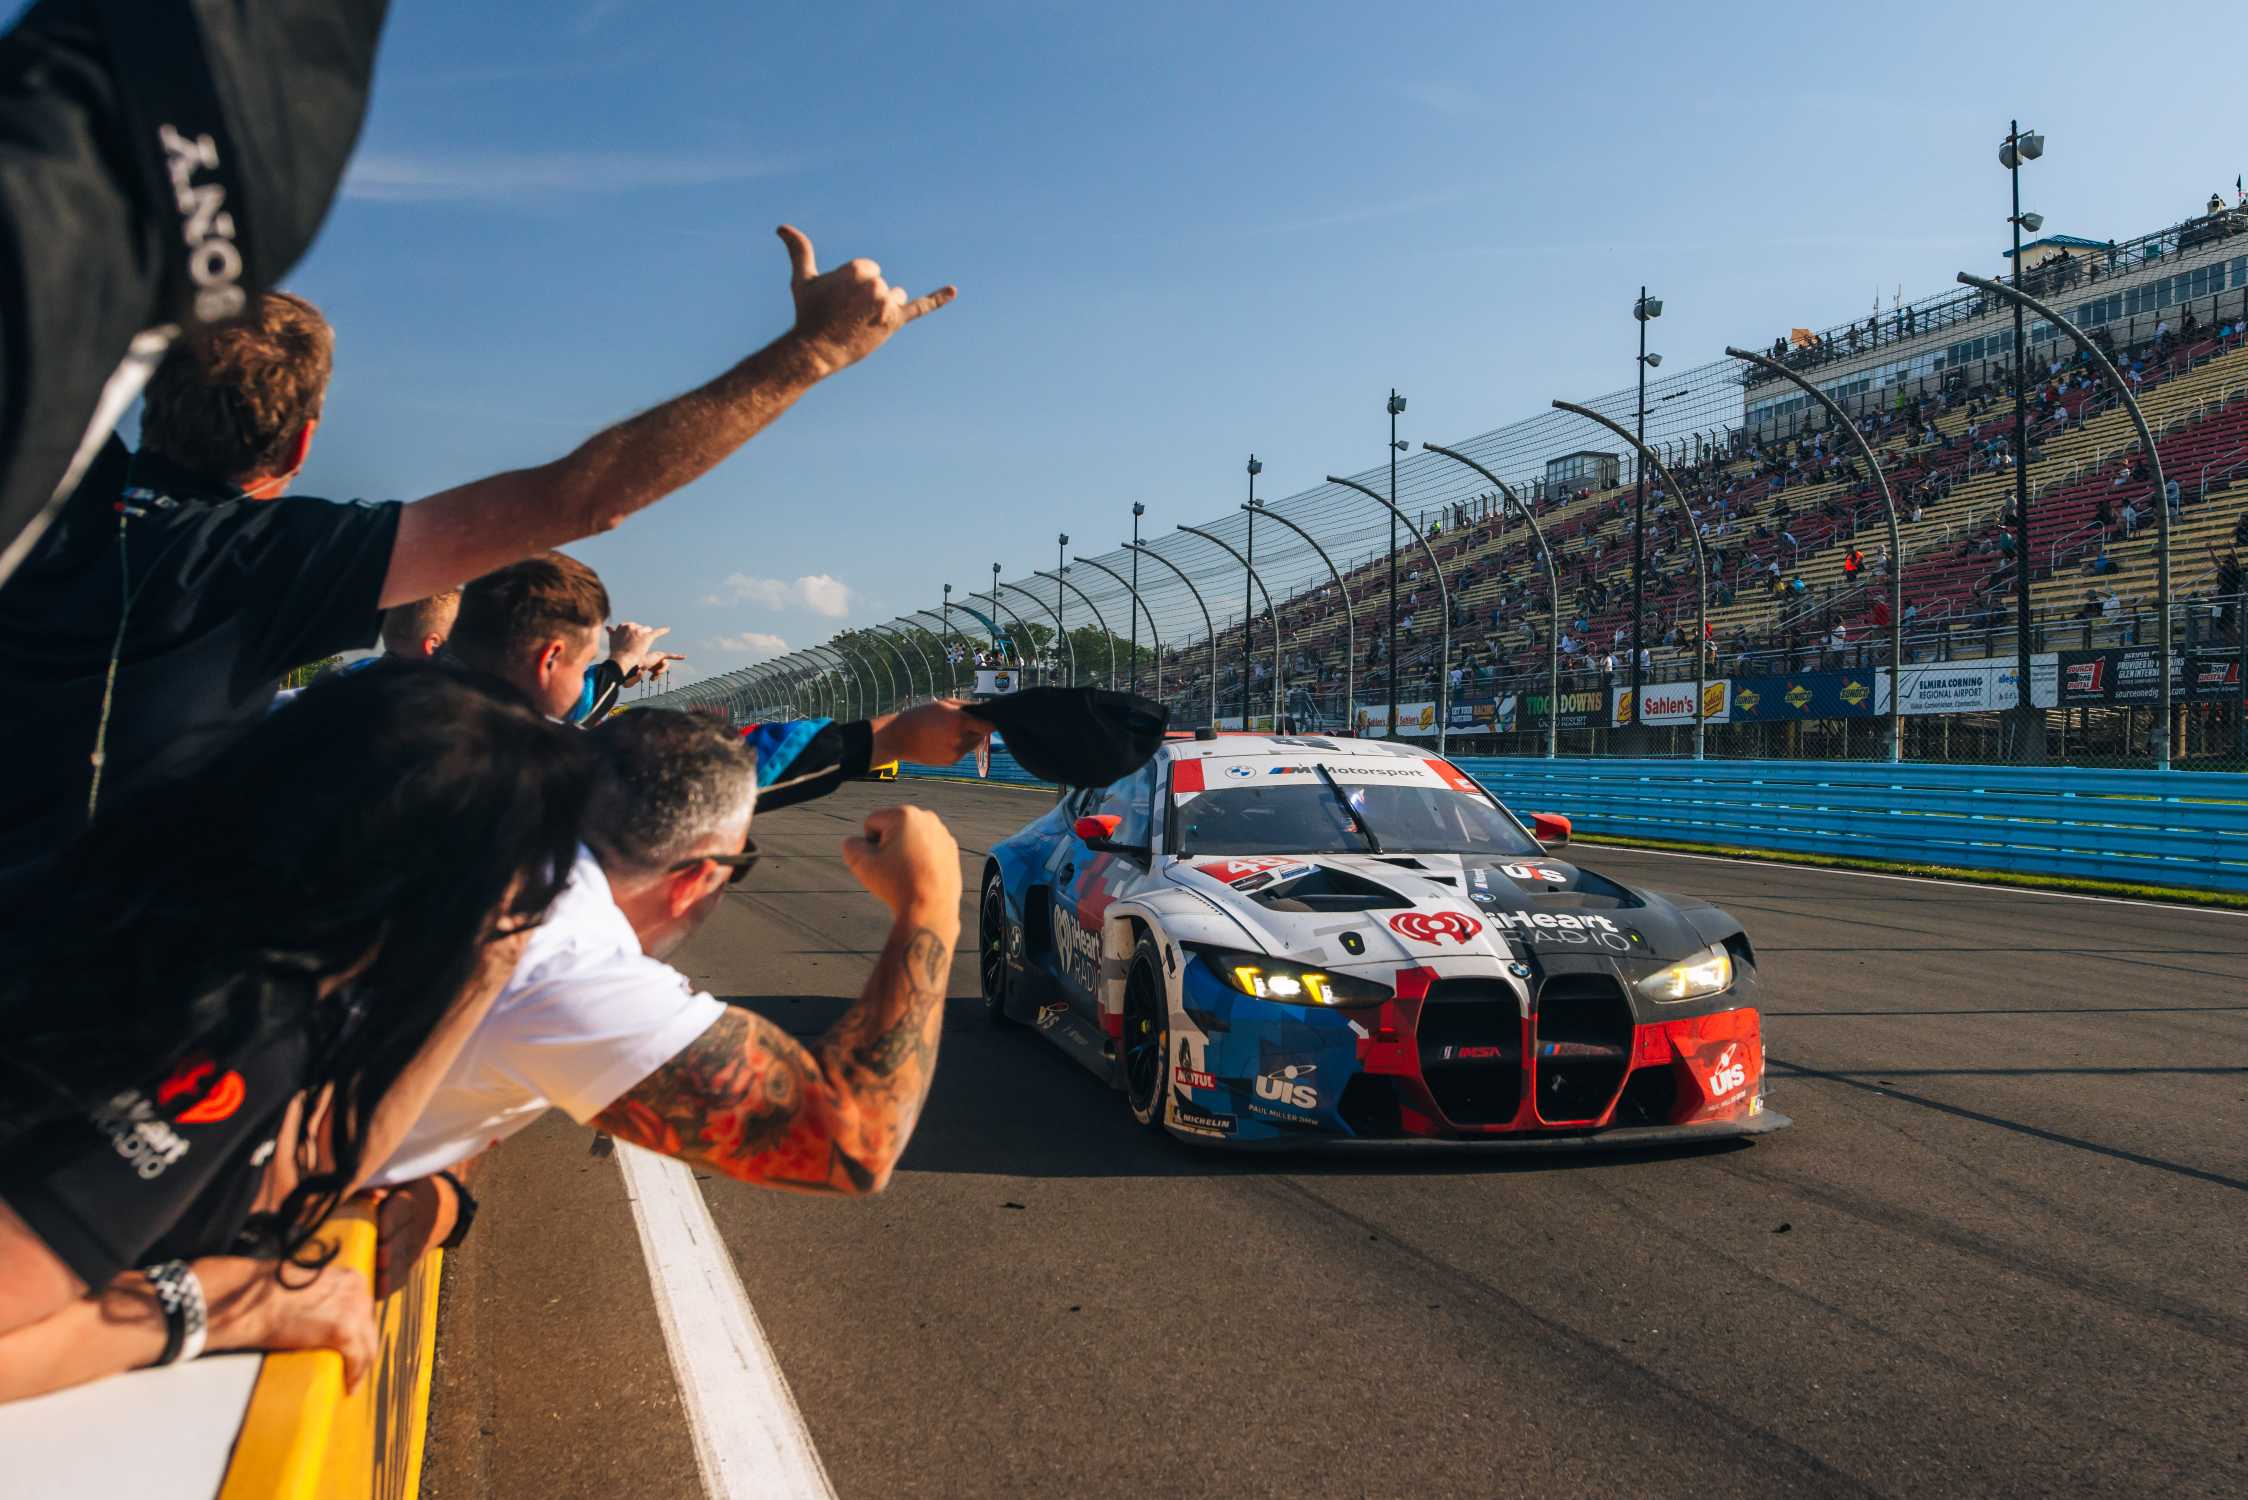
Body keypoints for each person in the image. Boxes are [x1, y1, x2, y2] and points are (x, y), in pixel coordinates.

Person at [0, 228, 955, 906]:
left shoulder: (41, 505)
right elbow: (585, 496)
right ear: (300, 448)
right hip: (100, 1003)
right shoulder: (269, 559)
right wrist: (814, 351)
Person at [0, 664, 596, 1402]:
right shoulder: (234, 1020)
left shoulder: (167, 895)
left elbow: (331, 1158)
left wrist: (486, 966)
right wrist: (207, 1308)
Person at [363, 711, 962, 1282]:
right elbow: (854, 1140)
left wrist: (444, 1191)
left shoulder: (483, 837)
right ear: (697, 879)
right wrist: (929, 903)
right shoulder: (567, 964)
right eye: (738, 866)